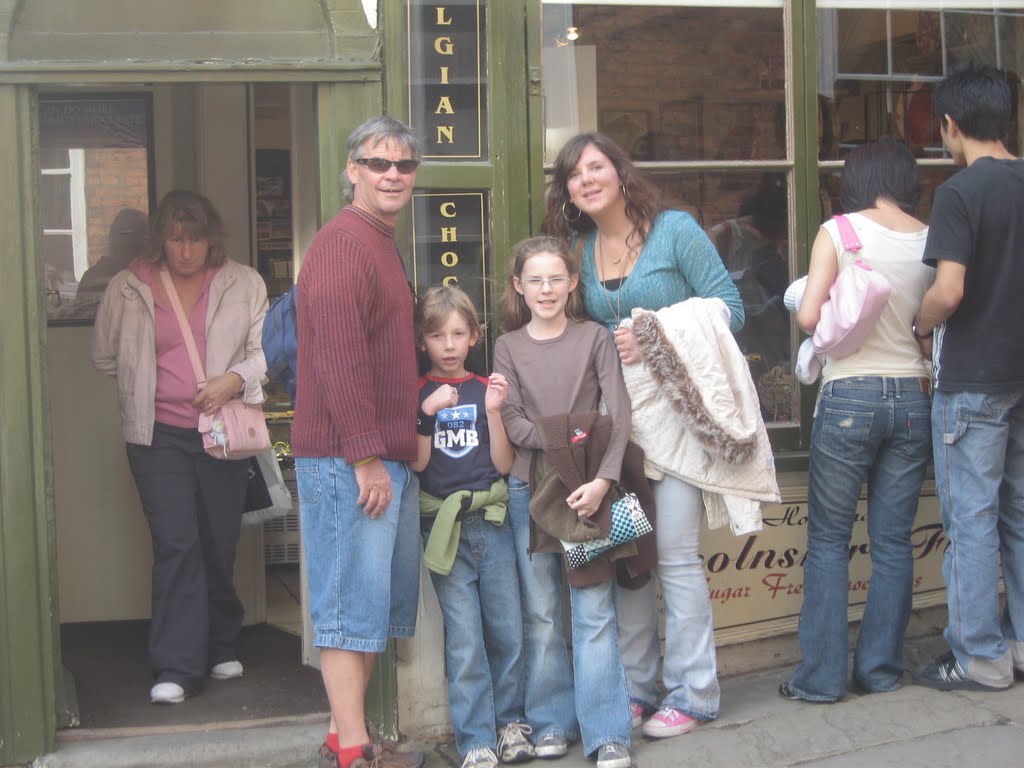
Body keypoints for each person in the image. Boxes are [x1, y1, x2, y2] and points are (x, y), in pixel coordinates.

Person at [543, 132, 745, 739]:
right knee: (627, 556)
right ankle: (636, 687)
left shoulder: (675, 230)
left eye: (596, 166)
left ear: (620, 171)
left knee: (678, 555)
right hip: (614, 427)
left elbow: (731, 307)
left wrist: (657, 330)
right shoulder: (575, 249)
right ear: (569, 192)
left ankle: (696, 692)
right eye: (574, 174)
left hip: (678, 420)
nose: (587, 179)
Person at [92, 189, 268, 705]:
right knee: (176, 543)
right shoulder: (128, 287)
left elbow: (265, 352)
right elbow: (105, 357)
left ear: (210, 238)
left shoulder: (243, 282)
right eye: (175, 238)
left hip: (220, 433)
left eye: (194, 239)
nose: (186, 249)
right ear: (160, 239)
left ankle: (219, 641)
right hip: (156, 435)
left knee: (217, 539)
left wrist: (231, 380)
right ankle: (176, 664)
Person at [778, 139, 933, 703]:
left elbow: (811, 317)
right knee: (893, 541)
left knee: (829, 540)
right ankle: (881, 672)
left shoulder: (840, 231)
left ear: (857, 176)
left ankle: (820, 678)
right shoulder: (928, 234)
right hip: (914, 394)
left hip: (850, 395)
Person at [291, 116, 425, 768]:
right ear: (353, 171)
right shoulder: (344, 245)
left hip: (376, 459)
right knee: (347, 610)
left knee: (367, 609)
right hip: (347, 462)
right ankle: (354, 752)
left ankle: (342, 737)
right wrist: (369, 455)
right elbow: (340, 360)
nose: (392, 174)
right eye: (378, 163)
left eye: (403, 165)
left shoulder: (377, 240)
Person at [493, 235, 638, 768]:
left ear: (573, 282)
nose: (547, 288)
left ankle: (607, 734)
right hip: (530, 489)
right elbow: (511, 421)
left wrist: (601, 480)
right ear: (519, 287)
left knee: (594, 608)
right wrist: (566, 440)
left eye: (557, 278)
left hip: (589, 489)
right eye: (535, 279)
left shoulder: (595, 337)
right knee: (541, 613)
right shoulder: (508, 346)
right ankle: (552, 721)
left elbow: (617, 415)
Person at [911, 65, 1024, 692]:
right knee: (1021, 514)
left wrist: (920, 323)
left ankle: (980, 655)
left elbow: (947, 291)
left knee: (972, 519)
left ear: (951, 125)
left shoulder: (960, 192)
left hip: (975, 378)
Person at [411, 285, 532, 768]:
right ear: (423, 341)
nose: (448, 345)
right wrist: (426, 414)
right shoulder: (418, 393)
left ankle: (512, 725)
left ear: (475, 336)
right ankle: (476, 739)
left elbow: (503, 463)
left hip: (492, 521)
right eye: (437, 335)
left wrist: (495, 413)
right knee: (464, 639)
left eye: (458, 334)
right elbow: (419, 465)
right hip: (444, 526)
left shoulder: (487, 389)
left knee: (507, 630)